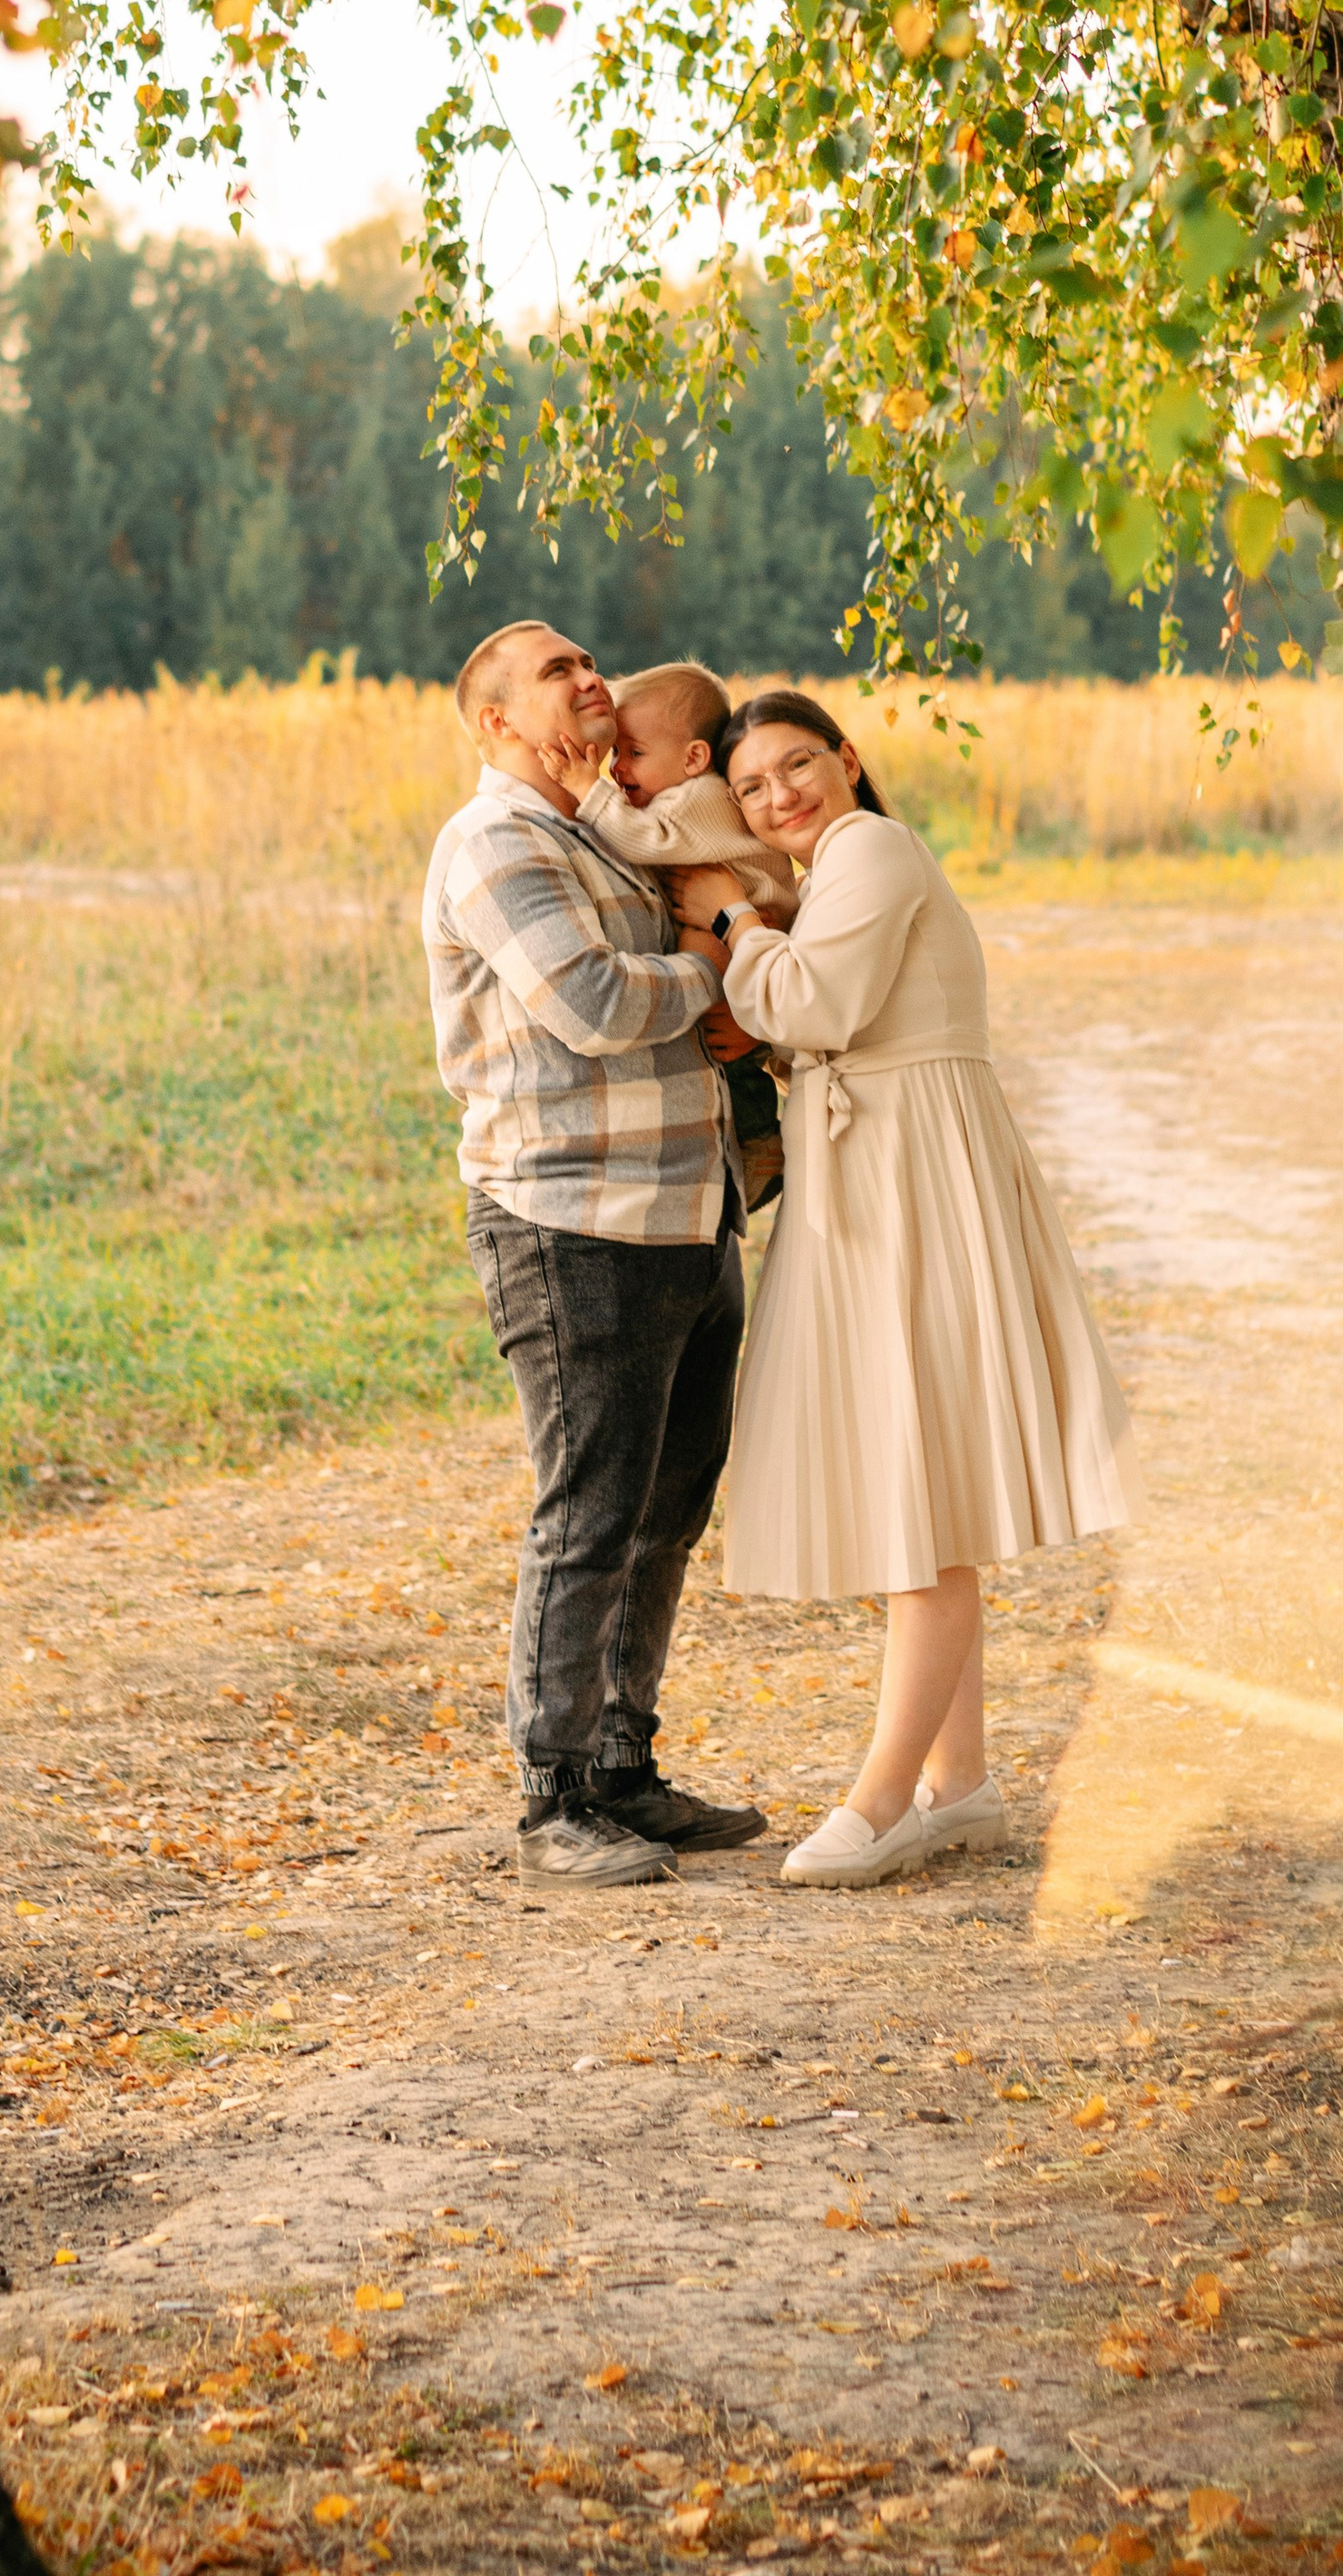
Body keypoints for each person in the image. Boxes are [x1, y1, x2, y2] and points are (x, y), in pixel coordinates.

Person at [674, 690, 1137, 1893]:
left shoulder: (871, 847)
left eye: (799, 766)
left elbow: (816, 1005)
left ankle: (882, 1803)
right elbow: (818, 1017)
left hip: (915, 1185)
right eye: (756, 787)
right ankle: (961, 1784)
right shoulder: (832, 873)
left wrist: (727, 913)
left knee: (919, 1493)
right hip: (881, 1183)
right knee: (916, 1482)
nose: (782, 796)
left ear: (849, 759)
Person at [421, 619, 770, 1889]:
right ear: (497, 723)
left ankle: (624, 1763)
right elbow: (599, 1005)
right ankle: (551, 1793)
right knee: (590, 1512)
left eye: (590, 664)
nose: (591, 679)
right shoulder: (495, 843)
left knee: (666, 1510)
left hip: (685, 1215)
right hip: (574, 1227)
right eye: (559, 672)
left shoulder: (598, 828)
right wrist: (710, 959)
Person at [534, 657, 797, 1210]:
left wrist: (587, 790)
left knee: (734, 1051)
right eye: (614, 757)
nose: (616, 770)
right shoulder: (680, 793)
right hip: (735, 939)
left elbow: (645, 842)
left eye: (633, 753)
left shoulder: (698, 797)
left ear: (694, 758)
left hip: (753, 932)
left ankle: (761, 1143)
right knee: (728, 1046)